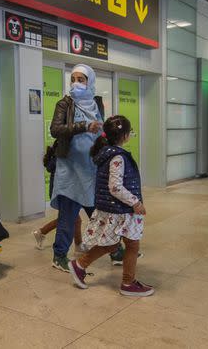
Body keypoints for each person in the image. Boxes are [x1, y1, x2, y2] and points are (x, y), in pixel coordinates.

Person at [70, 115, 154, 296]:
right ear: (124, 136)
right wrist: (136, 202)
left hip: (112, 209)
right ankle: (128, 283)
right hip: (122, 210)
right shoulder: (118, 157)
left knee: (111, 244)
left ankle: (79, 265)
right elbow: (115, 187)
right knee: (132, 246)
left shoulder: (106, 153)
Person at [47, 64, 103, 272]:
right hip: (70, 168)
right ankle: (59, 255)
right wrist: (83, 127)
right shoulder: (64, 103)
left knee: (99, 214)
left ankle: (114, 250)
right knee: (68, 216)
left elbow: (100, 130)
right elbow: (55, 129)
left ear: (90, 82)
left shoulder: (96, 104)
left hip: (90, 168)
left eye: (82, 79)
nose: (76, 83)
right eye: (74, 79)